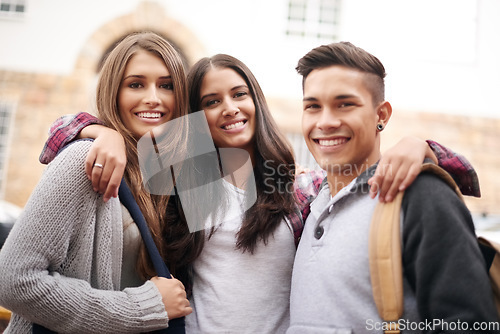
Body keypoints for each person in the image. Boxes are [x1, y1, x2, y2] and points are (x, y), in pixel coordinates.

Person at [38, 51, 481, 333]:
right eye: (211, 102)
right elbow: (57, 136)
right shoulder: (184, 185)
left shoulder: (296, 185)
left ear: (256, 100)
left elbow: (373, 173)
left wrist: (422, 145)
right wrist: (100, 131)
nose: (229, 108)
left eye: (239, 94)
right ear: (195, 116)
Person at [288, 41, 499, 334]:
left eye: (345, 104)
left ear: (381, 116)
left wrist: (424, 148)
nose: (325, 122)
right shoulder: (305, 204)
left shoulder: (420, 196)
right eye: (313, 106)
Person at [0, 32, 195, 333]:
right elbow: (13, 279)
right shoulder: (85, 160)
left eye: (166, 85)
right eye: (136, 84)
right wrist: (144, 308)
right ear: (113, 92)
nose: (153, 97)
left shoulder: (169, 176)